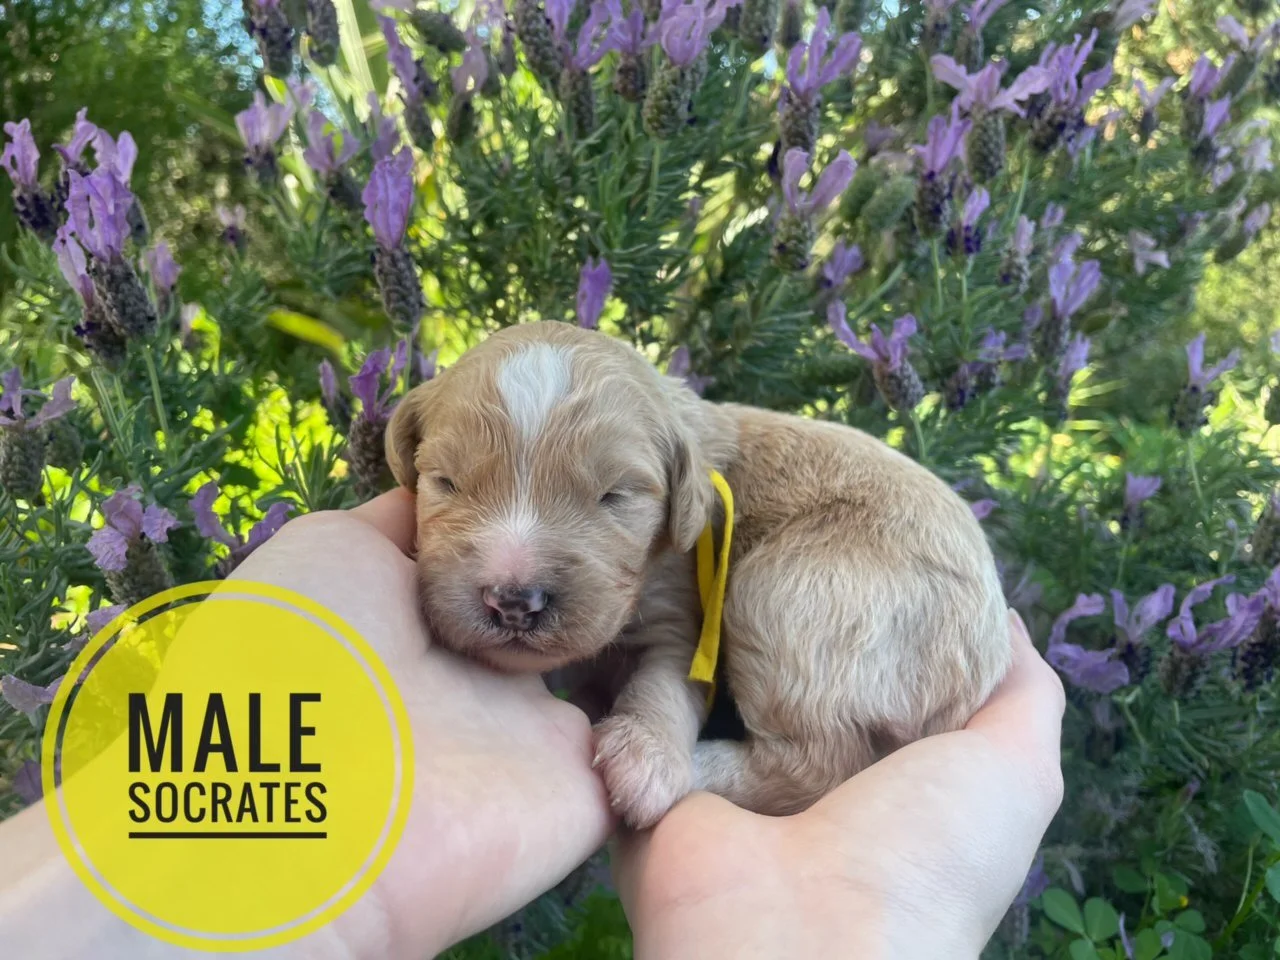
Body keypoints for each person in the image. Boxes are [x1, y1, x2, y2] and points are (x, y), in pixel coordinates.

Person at [0, 489, 1065, 958]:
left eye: (606, 500)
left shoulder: (717, 512)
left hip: (857, 581)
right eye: (451, 485)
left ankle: (788, 751)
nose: (515, 581)